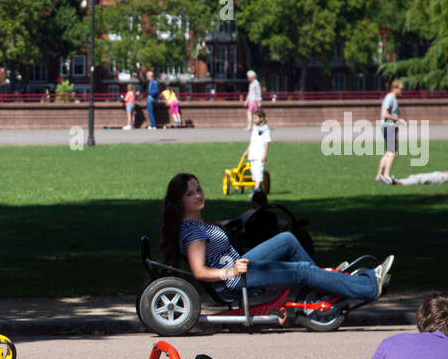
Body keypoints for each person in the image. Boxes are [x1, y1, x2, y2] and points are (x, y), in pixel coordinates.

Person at [160, 172, 394, 302]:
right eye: (190, 194)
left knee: (288, 240)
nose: (198, 195)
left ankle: (323, 288)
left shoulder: (196, 223)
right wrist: (230, 272)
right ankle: (369, 287)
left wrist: (224, 225)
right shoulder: (192, 231)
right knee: (302, 270)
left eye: (198, 189)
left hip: (240, 266)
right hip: (235, 281)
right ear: (179, 201)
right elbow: (199, 270)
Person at [374, 79, 406, 183]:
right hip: (389, 126)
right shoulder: (390, 98)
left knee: (389, 152)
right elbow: (385, 114)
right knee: (392, 152)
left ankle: (379, 176)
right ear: (394, 88)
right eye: (401, 88)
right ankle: (386, 175)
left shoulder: (392, 98)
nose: (402, 91)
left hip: (389, 126)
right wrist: (398, 120)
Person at [241, 108, 271, 196]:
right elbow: (252, 141)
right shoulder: (255, 128)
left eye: (255, 118)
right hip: (253, 153)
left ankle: (256, 190)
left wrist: (265, 155)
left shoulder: (266, 129)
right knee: (253, 171)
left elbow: (267, 143)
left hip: (260, 154)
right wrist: (247, 151)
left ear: (261, 118)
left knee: (258, 171)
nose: (254, 120)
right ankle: (258, 189)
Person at [381, 166, 448, 186]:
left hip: (442, 178)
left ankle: (397, 182)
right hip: (440, 175)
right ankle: (395, 181)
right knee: (416, 176)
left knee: (420, 179)